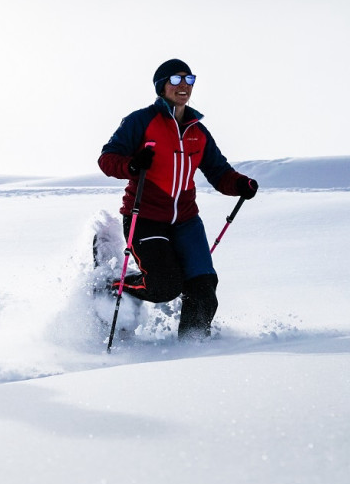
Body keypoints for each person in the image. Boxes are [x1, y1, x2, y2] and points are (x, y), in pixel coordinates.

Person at [97, 58, 258, 339]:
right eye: (175, 80)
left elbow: (219, 172)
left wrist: (240, 184)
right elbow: (107, 159)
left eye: (189, 79)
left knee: (203, 284)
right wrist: (133, 164)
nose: (183, 85)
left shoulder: (198, 131)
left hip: (185, 221)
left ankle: (192, 348)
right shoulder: (141, 121)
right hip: (145, 217)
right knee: (165, 285)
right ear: (162, 87)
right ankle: (114, 286)